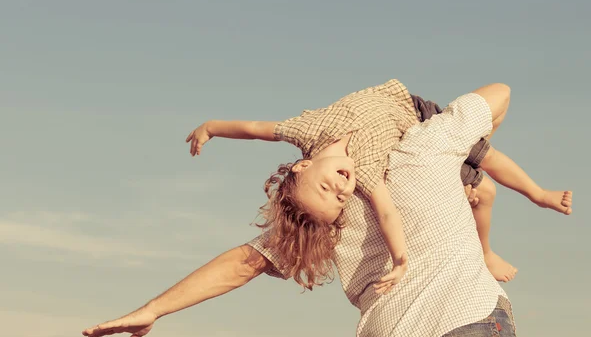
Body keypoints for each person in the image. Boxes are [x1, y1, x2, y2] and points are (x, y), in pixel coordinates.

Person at [83, 83, 563, 337]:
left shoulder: (322, 219)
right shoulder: (427, 142)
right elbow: (499, 93)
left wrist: (154, 308)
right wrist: (465, 140)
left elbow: (243, 264)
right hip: (464, 321)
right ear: (300, 164)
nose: (340, 191)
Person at [185, 80, 571, 285]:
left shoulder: (303, 130)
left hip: (414, 108)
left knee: (482, 156)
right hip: (415, 133)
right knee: (487, 185)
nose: (342, 188)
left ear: (301, 167)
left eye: (326, 188)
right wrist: (401, 259)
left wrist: (212, 127)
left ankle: (531, 192)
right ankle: (506, 230)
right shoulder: (367, 172)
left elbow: (254, 128)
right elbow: (387, 214)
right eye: (339, 199)